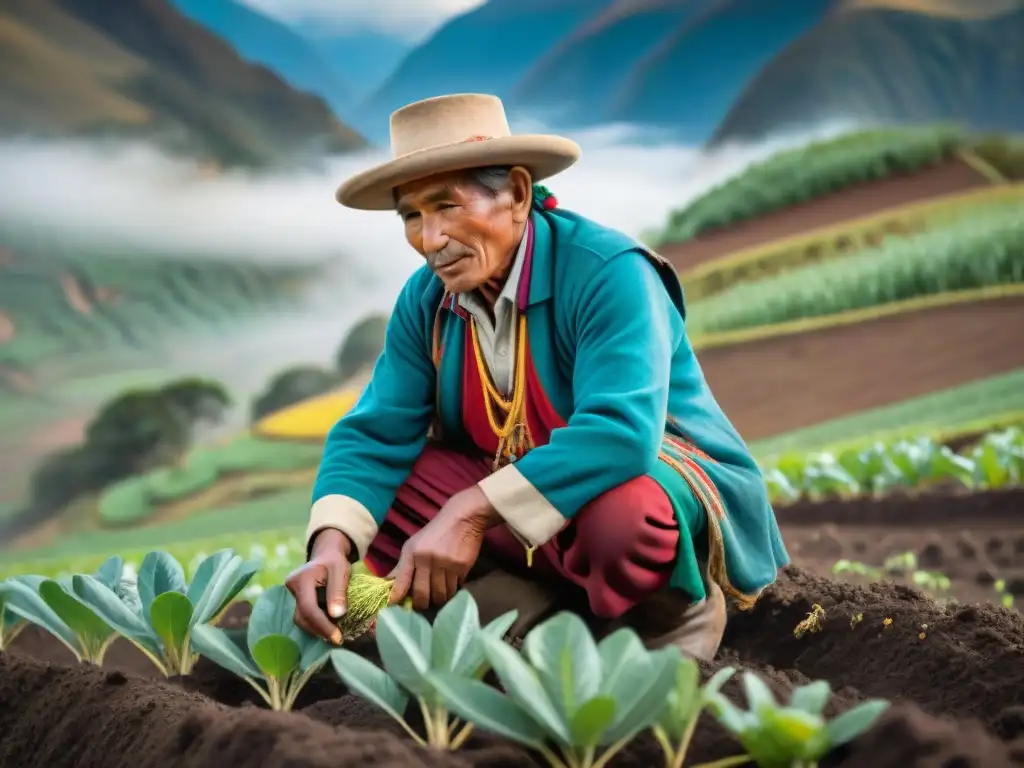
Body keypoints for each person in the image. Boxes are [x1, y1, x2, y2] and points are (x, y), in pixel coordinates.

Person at [285, 93, 789, 659]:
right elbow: (375, 432)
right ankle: (529, 607)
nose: (430, 240)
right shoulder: (425, 302)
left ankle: (667, 615)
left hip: (647, 471)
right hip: (516, 486)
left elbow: (620, 433)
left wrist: (468, 510)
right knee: (390, 487)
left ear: (519, 194)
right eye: (412, 216)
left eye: (446, 206)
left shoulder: (609, 272)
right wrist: (330, 547)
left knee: (621, 516)